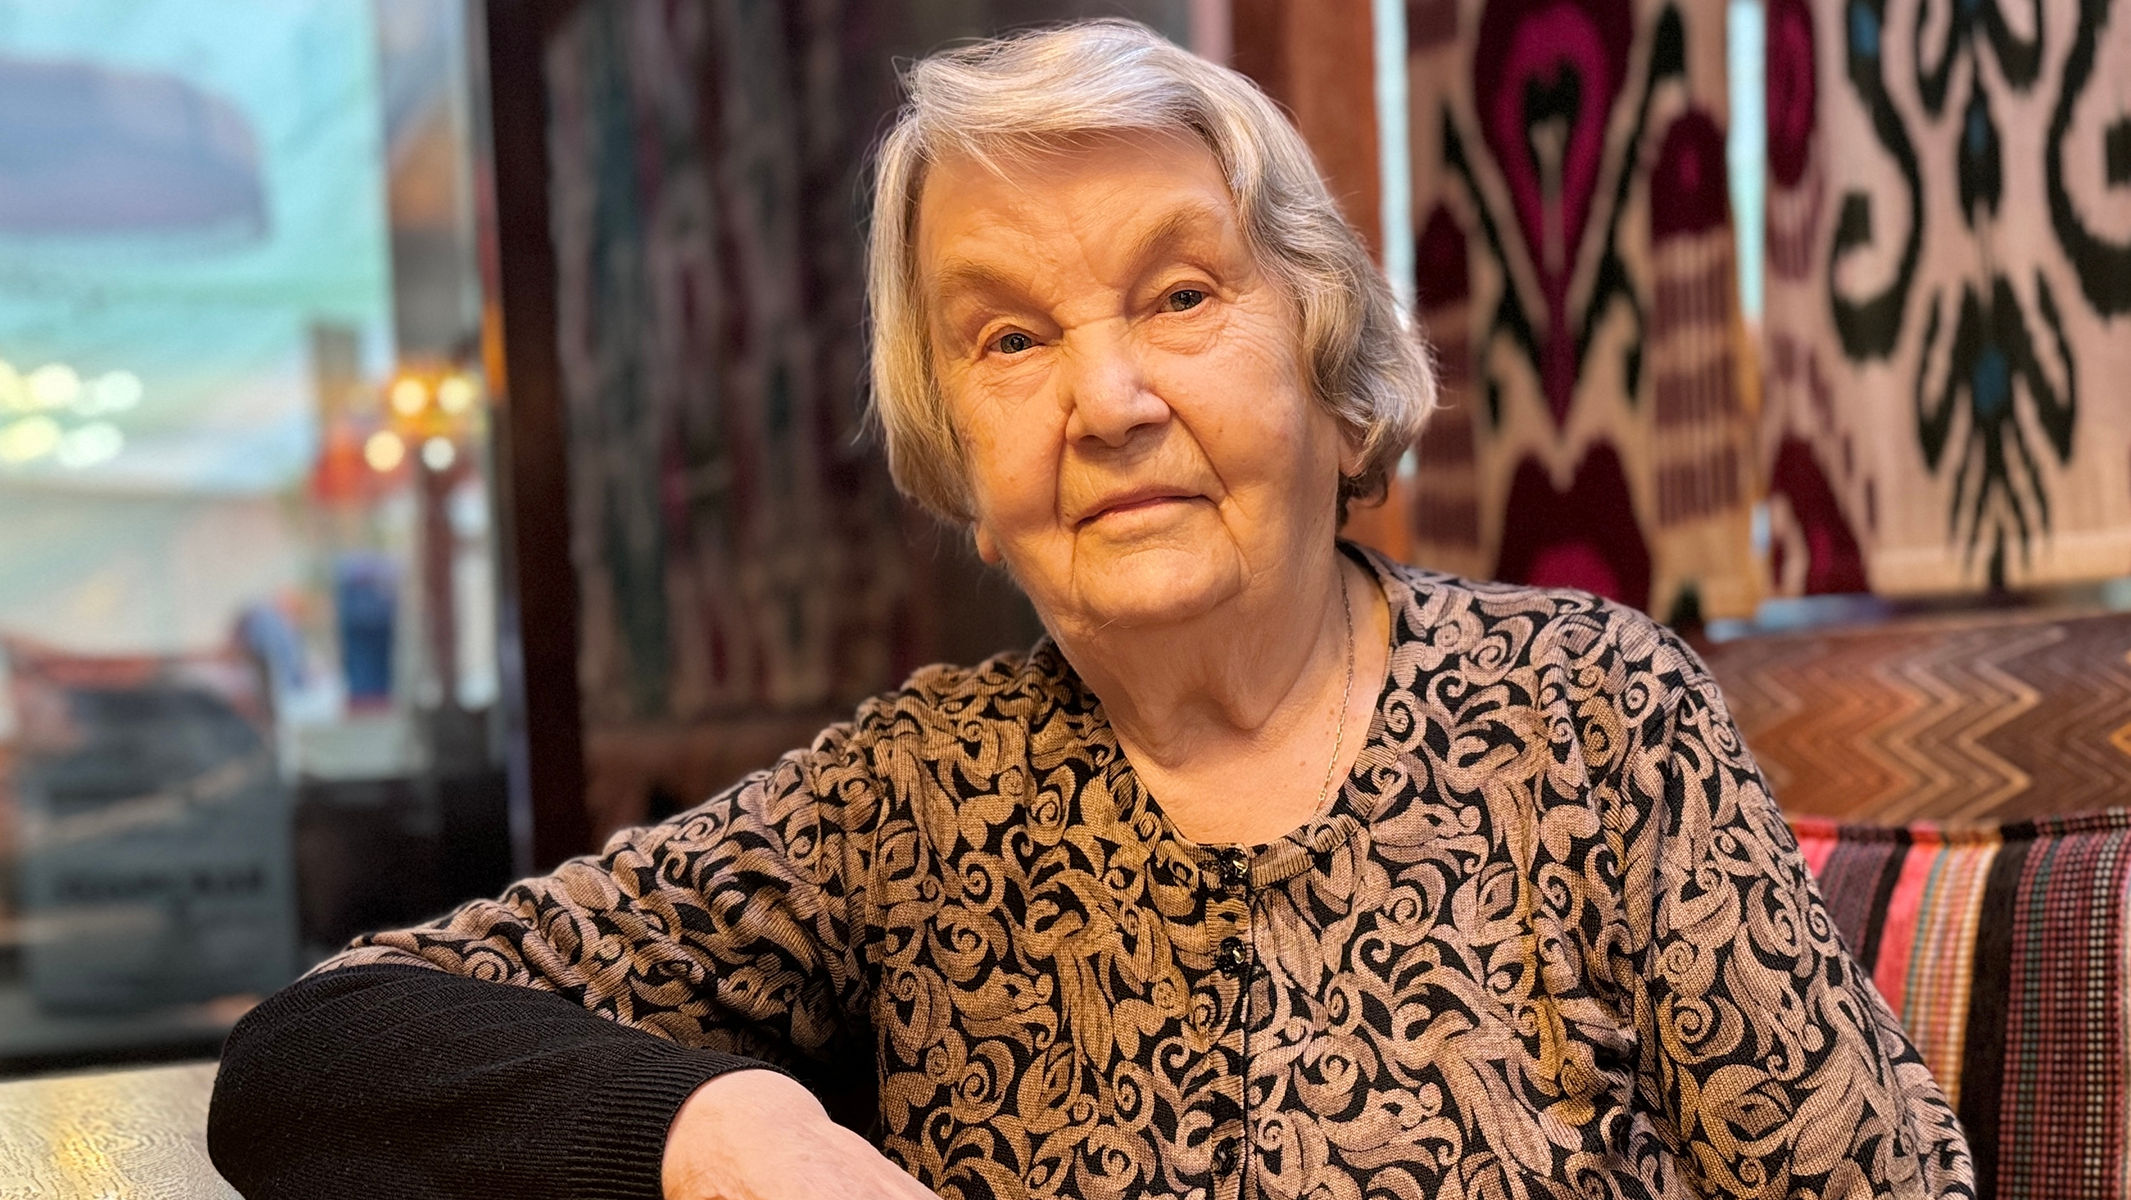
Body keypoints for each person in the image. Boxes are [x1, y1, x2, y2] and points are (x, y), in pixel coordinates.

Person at [208, 20, 1973, 1200]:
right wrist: (713, 1122)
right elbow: (310, 1057)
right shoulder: (913, 803)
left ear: (1326, 357)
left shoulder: (1588, 717)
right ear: (962, 465)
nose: (1107, 398)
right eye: (1010, 338)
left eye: (1180, 294)